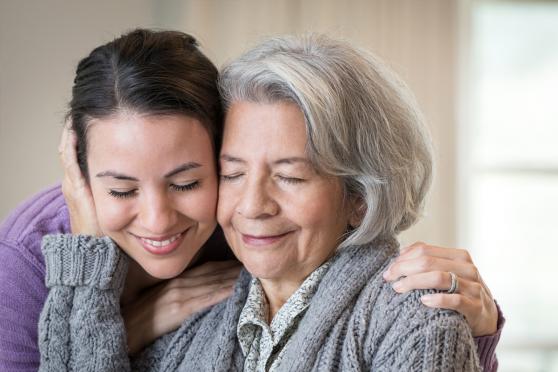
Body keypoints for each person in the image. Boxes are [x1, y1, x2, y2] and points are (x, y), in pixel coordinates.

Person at [37, 33, 503, 371]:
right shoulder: (195, 315)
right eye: (232, 173)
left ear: (359, 196)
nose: (252, 205)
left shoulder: (415, 319)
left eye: (290, 176)